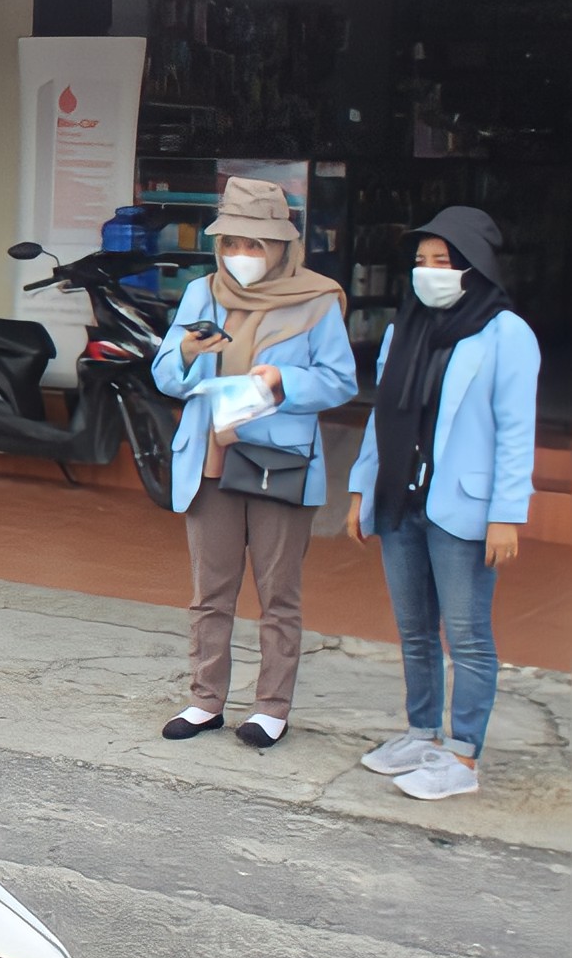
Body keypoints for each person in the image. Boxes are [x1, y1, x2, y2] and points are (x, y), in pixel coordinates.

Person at [151, 176, 355, 749]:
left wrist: (284, 379)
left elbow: (341, 380)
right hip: (210, 461)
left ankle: (271, 707)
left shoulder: (315, 300)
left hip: (277, 462)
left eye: (255, 245)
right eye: (232, 243)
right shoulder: (202, 294)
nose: (241, 256)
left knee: (277, 593)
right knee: (209, 591)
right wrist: (188, 351)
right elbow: (165, 373)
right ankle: (204, 700)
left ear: (282, 247)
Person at [348, 208, 539, 801]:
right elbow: (384, 415)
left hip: (464, 508)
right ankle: (421, 731)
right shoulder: (405, 327)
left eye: (443, 262)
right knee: (413, 629)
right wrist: (361, 487)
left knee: (468, 634)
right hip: (401, 498)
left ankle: (462, 755)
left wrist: (507, 513)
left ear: (473, 267)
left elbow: (515, 430)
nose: (429, 273)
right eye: (421, 262)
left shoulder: (506, 332)